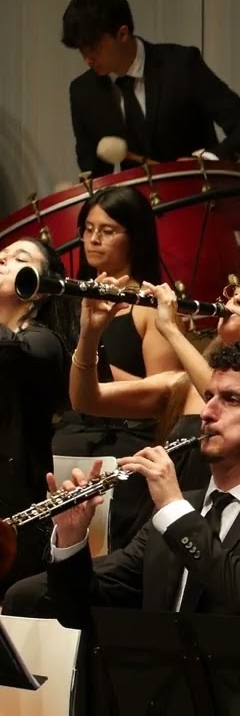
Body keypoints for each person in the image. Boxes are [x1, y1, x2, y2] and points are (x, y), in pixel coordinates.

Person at [42, 341, 240, 709]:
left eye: (231, 400)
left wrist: (172, 506)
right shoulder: (175, 514)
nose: (207, 412)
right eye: (209, 396)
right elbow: (79, 610)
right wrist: (71, 538)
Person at [67, 267, 240, 534]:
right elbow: (86, 399)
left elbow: (218, 391)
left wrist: (170, 329)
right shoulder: (182, 384)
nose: (235, 298)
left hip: (236, 536)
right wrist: (90, 333)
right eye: (238, 290)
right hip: (157, 531)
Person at [61, 0, 240, 176]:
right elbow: (93, 175)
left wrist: (207, 162)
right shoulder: (83, 92)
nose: (87, 59)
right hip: (135, 216)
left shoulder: (181, 65)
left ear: (122, 34)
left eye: (94, 48)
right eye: (81, 50)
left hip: (200, 203)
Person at [54, 186, 182, 462]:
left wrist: (89, 365)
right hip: (69, 433)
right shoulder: (69, 302)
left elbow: (164, 396)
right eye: (87, 229)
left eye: (107, 231)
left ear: (135, 238)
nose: (93, 240)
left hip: (128, 443)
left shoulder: (150, 306)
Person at [0, 238, 77, 599]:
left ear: (39, 289)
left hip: (14, 520)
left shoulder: (44, 344)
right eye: (1, 256)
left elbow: (12, 356)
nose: (2, 261)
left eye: (18, 259)